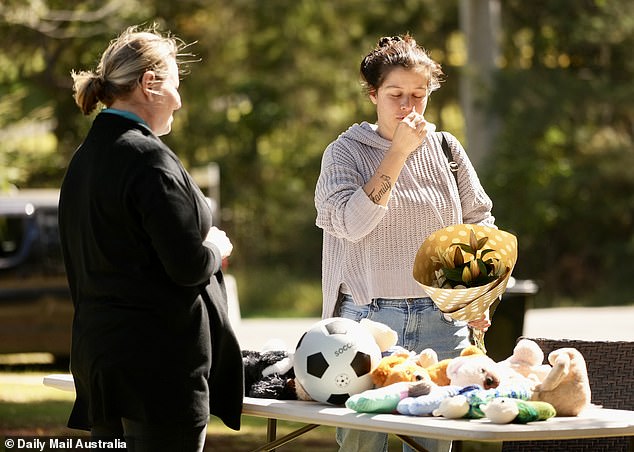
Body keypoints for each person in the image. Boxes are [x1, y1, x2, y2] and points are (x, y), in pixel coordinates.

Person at [58, 24, 243, 452]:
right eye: (175, 86)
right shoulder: (147, 158)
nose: (179, 100)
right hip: (158, 376)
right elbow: (186, 266)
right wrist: (216, 246)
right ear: (150, 84)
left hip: (103, 367)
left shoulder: (86, 158)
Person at [314, 34, 495, 452]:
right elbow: (350, 223)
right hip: (367, 323)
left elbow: (478, 221)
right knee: (362, 444)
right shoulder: (344, 154)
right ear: (373, 94)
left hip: (442, 320)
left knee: (437, 440)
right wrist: (396, 153)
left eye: (418, 95)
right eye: (395, 94)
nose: (408, 107)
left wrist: (478, 293)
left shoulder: (447, 148)